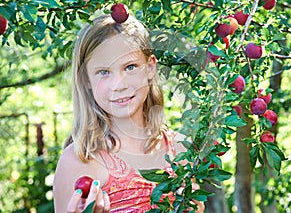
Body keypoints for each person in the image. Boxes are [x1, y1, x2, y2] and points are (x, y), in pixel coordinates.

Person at [53, 12, 205, 213]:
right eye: (104, 72)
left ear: (150, 68)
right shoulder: (78, 161)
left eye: (130, 67)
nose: (119, 85)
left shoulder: (181, 150)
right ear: (86, 80)